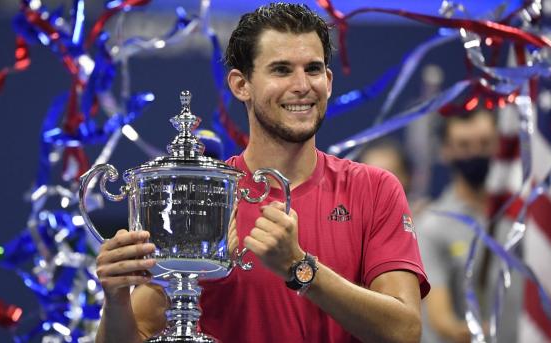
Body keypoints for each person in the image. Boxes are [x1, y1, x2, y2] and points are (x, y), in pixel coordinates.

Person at [93, 3, 429, 343]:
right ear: (241, 85)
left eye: (313, 70)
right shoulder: (207, 201)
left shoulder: (374, 189)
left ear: (328, 82)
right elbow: (136, 334)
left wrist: (300, 268)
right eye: (281, 70)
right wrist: (116, 297)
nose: (301, 86)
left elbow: (405, 332)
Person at [417, 110, 520, 343]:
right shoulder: (431, 226)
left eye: (484, 143)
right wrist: (470, 332)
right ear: (445, 151)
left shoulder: (520, 215)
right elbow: (440, 318)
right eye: (464, 145)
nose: (475, 153)